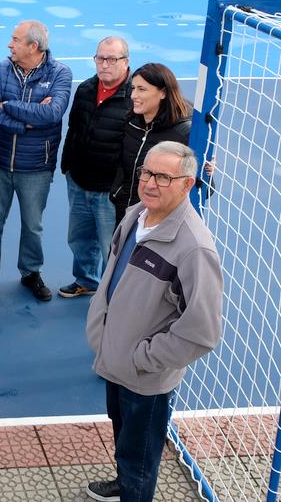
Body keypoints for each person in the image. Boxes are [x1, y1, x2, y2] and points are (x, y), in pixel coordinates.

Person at [85, 141, 223, 502]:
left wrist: (143, 359)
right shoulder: (136, 215)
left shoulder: (194, 248)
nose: (150, 182)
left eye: (163, 176)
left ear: (187, 184)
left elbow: (202, 330)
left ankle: (133, 491)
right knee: (124, 440)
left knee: (140, 459)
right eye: (147, 172)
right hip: (115, 358)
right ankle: (123, 484)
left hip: (144, 375)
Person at [0, 20, 72, 305]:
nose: (9, 44)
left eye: (15, 39)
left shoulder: (61, 74)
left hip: (36, 167)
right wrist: (21, 124)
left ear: (33, 46)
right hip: (1, 161)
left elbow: (51, 114)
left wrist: (10, 107)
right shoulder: (5, 67)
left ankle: (30, 272)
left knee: (32, 225)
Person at [58, 37, 131, 299]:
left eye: (112, 59)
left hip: (109, 191)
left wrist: (120, 186)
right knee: (79, 239)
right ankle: (87, 281)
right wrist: (67, 165)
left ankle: (114, 296)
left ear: (126, 62)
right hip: (78, 181)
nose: (104, 64)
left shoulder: (135, 97)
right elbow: (74, 130)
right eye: (100, 58)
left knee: (111, 246)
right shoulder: (86, 89)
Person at [110, 62, 192, 225]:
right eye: (133, 88)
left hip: (159, 221)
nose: (133, 95)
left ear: (163, 93)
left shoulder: (185, 132)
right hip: (125, 214)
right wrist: (117, 192)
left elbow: (202, 187)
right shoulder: (131, 122)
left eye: (142, 89)